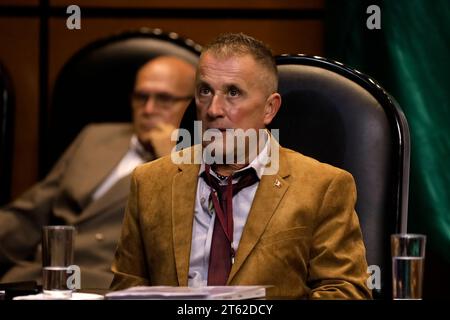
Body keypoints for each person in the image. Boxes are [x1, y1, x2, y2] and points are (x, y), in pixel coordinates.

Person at [110, 33, 372, 299]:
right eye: (205, 91)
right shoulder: (150, 182)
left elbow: (346, 291)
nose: (213, 110)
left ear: (269, 108)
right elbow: (128, 289)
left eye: (233, 93)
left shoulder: (323, 187)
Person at [0, 56, 196, 289]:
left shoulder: (195, 159)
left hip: (105, 283)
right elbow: (30, 212)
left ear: (192, 104)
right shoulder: (94, 137)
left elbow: (185, 243)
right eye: (141, 97)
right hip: (41, 274)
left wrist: (171, 158)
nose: (148, 109)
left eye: (164, 99)